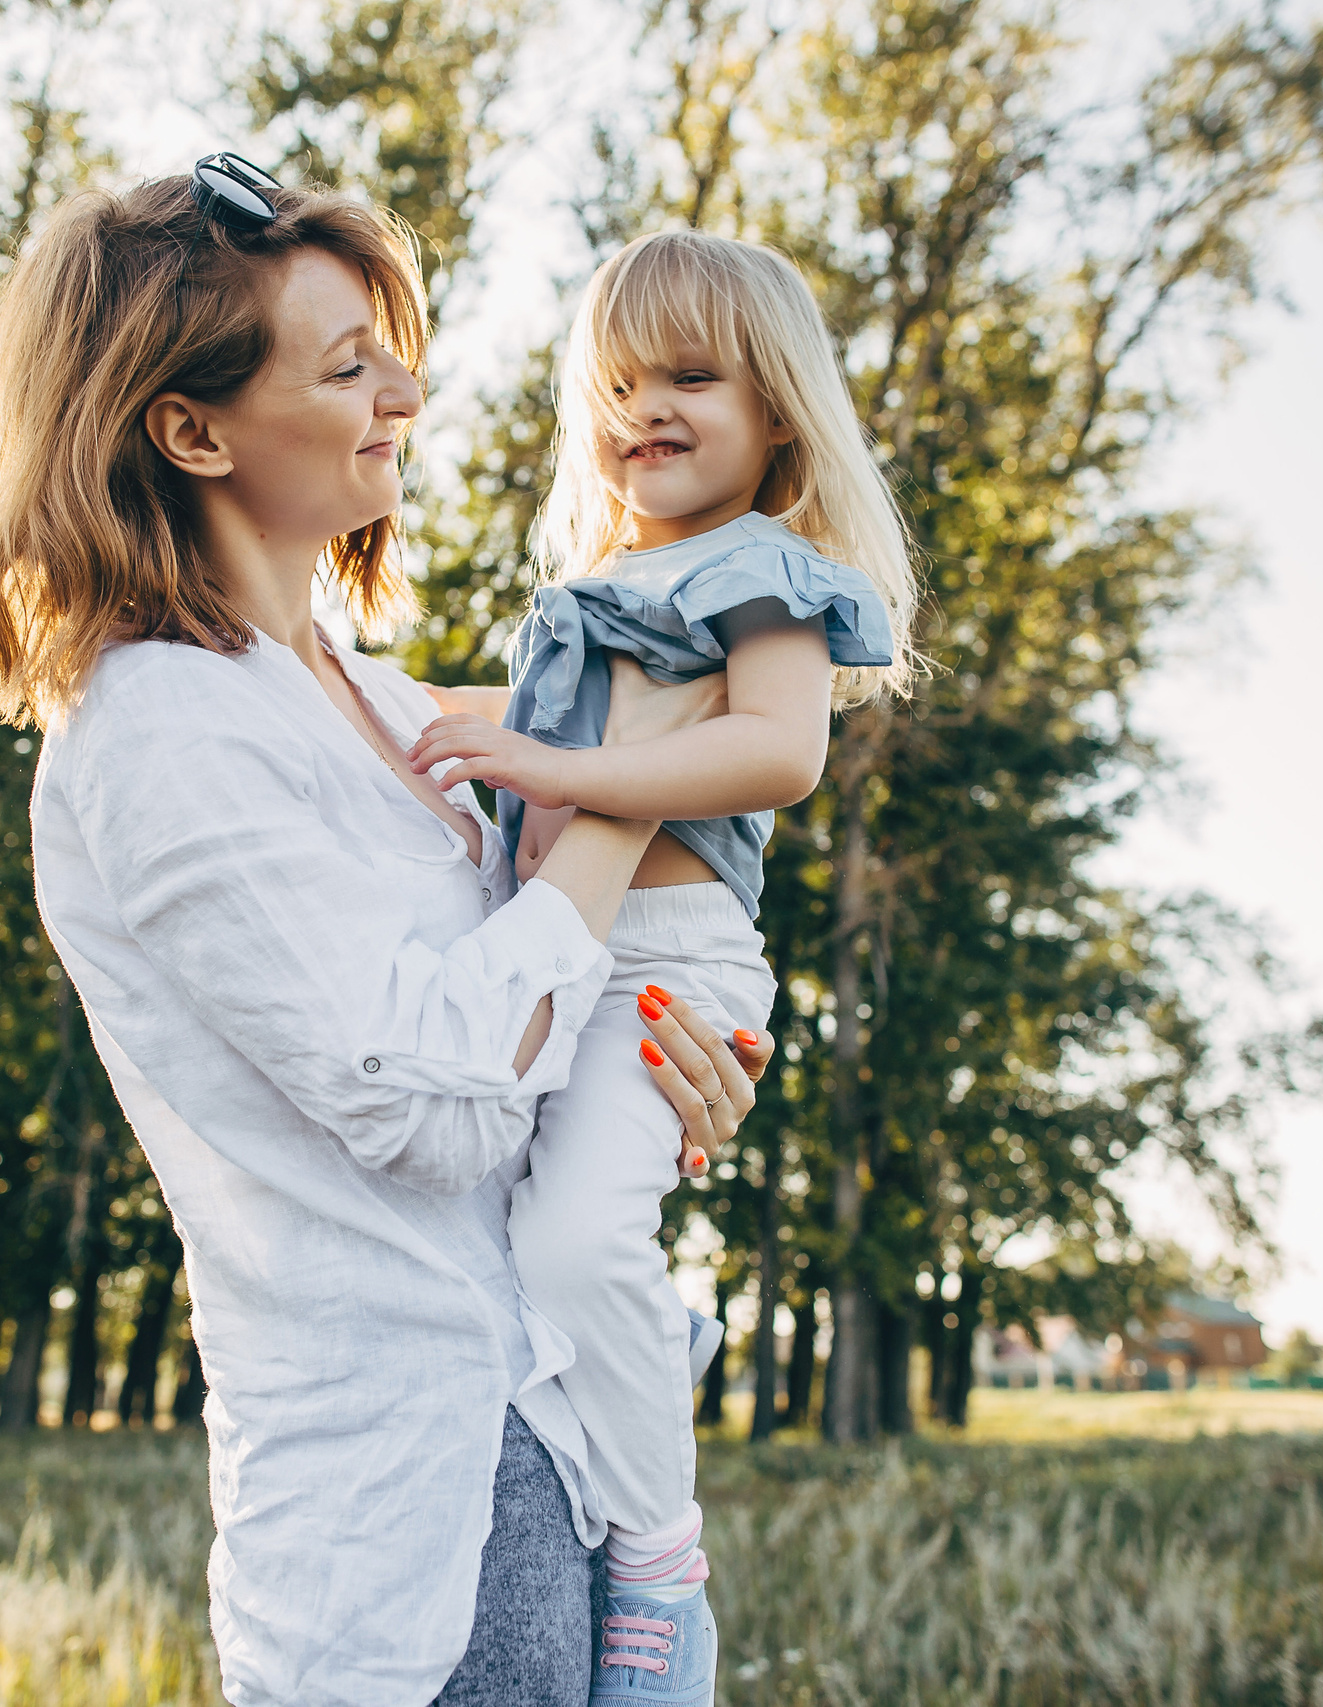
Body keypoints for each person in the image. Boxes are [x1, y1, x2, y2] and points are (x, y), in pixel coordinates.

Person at [0, 155, 772, 1706]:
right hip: (413, 1513)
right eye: (346, 364)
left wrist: (662, 1069)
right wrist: (629, 793)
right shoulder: (159, 724)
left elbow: (528, 1032)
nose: (406, 386)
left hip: (564, 1437)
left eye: (390, 347)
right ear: (191, 430)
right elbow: (431, 1105)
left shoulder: (379, 700)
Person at [408, 230, 921, 1701]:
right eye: (621, 382)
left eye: (691, 376)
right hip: (554, 956)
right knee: (537, 1251)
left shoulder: (765, 570)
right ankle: (649, 1337)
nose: (648, 409)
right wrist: (392, 701)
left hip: (665, 967)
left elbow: (777, 749)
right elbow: (525, 713)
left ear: (777, 413)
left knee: (570, 1246)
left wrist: (552, 759)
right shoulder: (594, 585)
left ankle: (660, 1558)